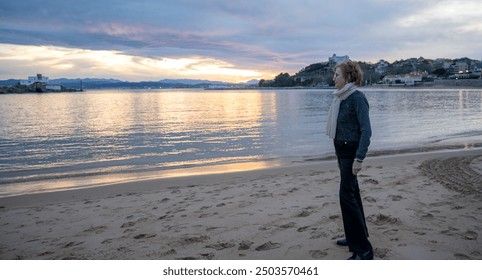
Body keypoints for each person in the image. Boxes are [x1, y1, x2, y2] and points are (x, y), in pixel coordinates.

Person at [326, 61, 373, 260]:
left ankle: (364, 250)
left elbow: (366, 130)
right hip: (341, 150)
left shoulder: (356, 98)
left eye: (337, 75)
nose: (334, 78)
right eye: (334, 74)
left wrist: (359, 158)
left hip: (351, 152)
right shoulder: (341, 98)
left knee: (346, 197)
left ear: (348, 77)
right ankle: (354, 236)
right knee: (353, 193)